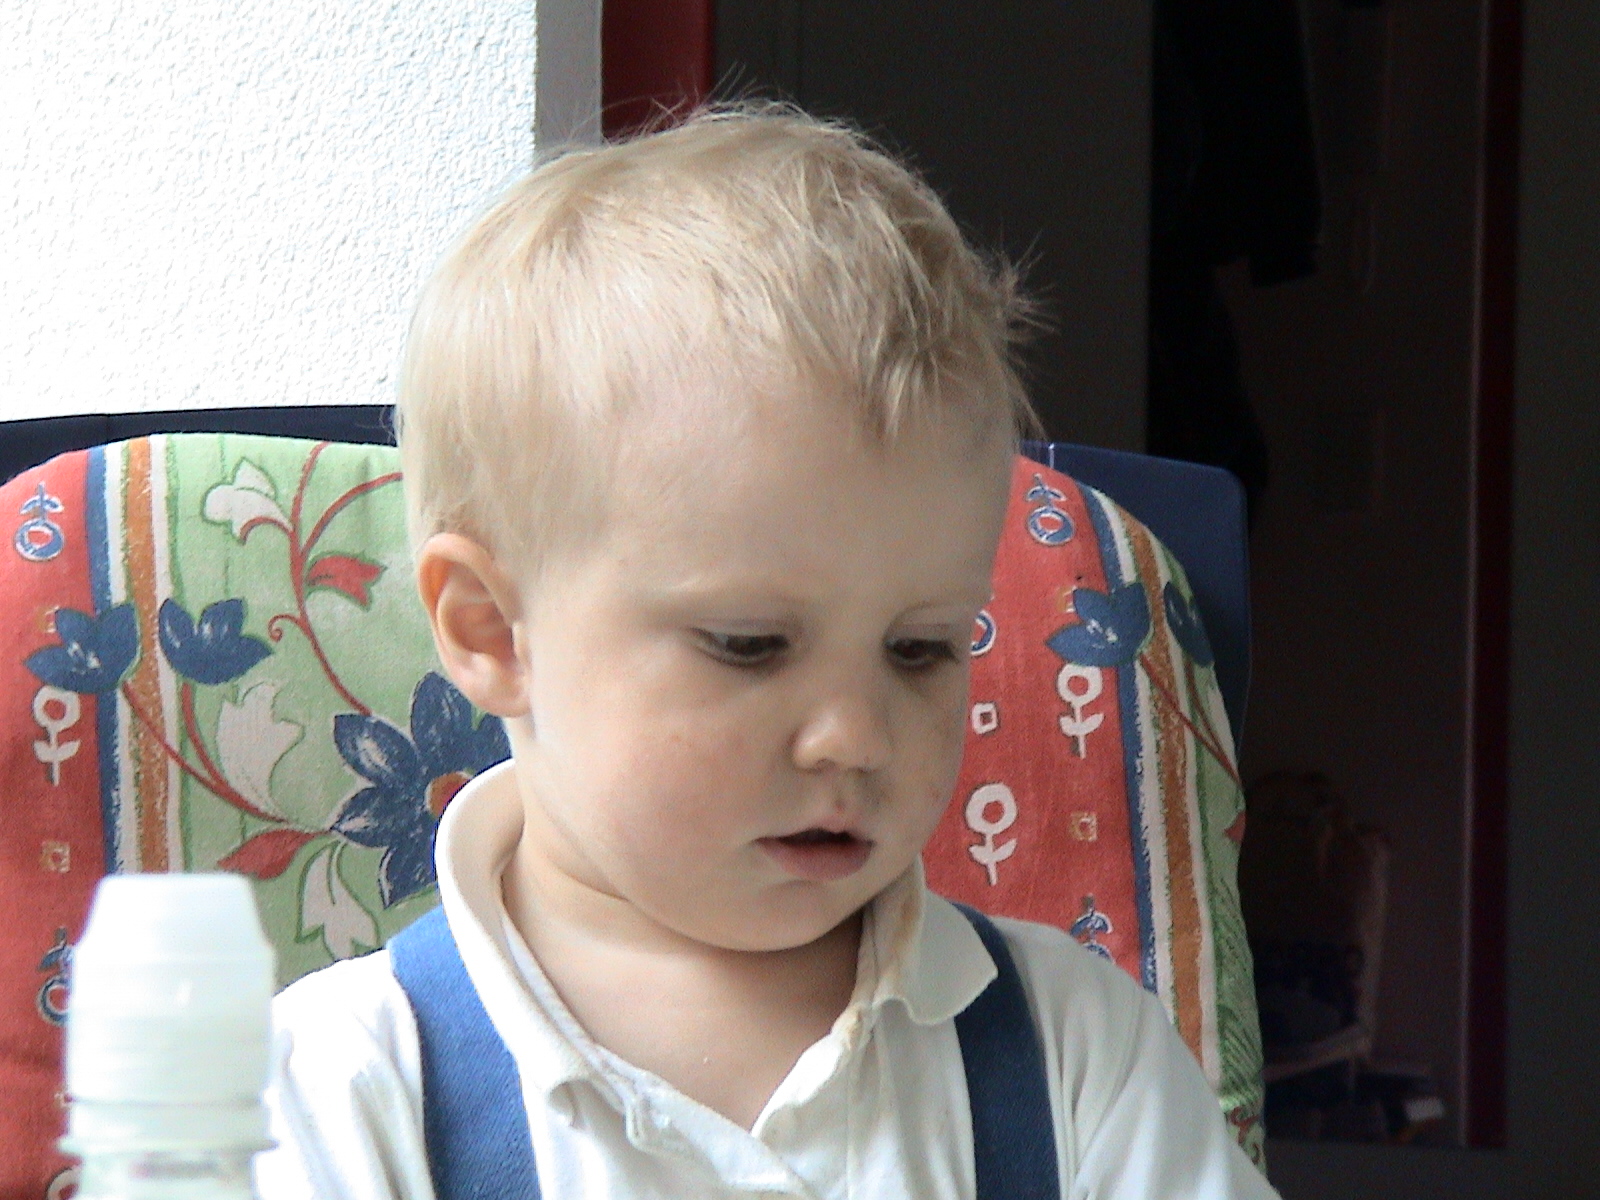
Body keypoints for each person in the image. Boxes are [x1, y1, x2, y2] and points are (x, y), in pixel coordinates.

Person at [257, 105, 1279, 1200]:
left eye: (921, 648)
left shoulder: (1078, 1058)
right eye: (749, 645)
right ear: (492, 631)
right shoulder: (332, 1095)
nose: (854, 735)